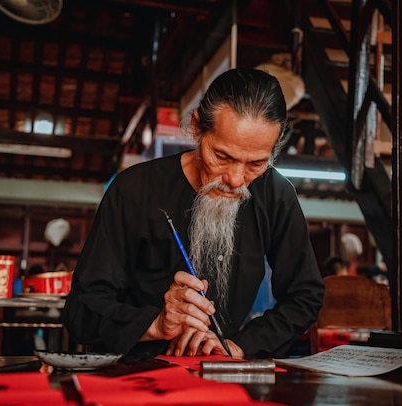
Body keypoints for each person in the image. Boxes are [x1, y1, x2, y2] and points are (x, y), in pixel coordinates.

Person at [62, 68, 325, 360]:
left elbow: (305, 295)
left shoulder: (276, 195)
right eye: (223, 157)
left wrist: (239, 346)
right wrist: (157, 325)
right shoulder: (135, 188)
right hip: (133, 373)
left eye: (256, 164)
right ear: (197, 127)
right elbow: (82, 309)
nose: (236, 180)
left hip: (222, 375)